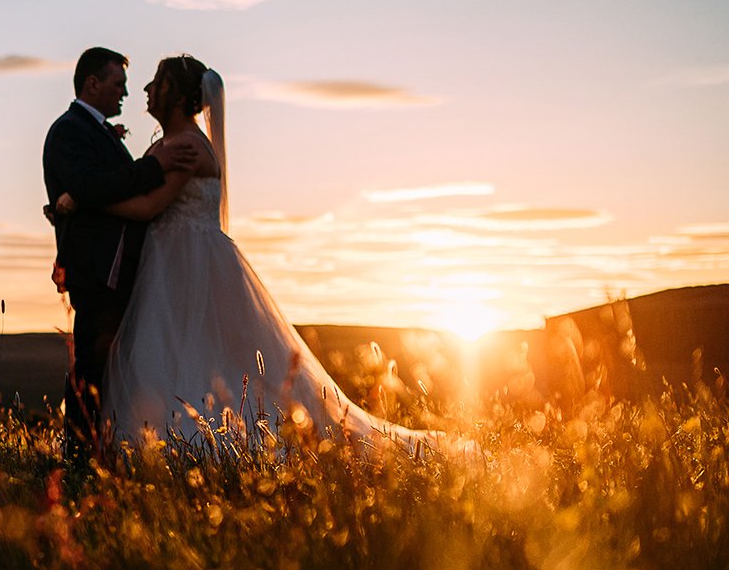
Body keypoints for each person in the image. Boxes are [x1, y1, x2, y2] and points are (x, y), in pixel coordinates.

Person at [50, 54, 457, 457]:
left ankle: (185, 440)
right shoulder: (166, 145)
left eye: (156, 81)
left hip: (189, 263)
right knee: (176, 351)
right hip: (170, 261)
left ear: (175, 94)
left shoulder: (188, 146)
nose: (143, 89)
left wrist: (78, 203)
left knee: (197, 352)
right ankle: (128, 442)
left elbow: (147, 207)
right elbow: (133, 188)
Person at [41, 47, 201, 462]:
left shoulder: (94, 129)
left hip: (115, 265)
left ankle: (95, 445)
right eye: (118, 84)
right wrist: (154, 164)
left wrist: (76, 201)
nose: (126, 93)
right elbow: (97, 185)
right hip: (96, 267)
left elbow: (100, 190)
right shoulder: (69, 131)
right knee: (92, 360)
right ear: (92, 84)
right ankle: (79, 450)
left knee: (105, 358)